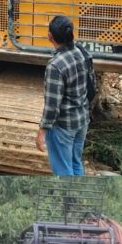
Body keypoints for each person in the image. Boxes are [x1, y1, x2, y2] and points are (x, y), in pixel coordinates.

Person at [36, 15, 93, 176]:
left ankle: (68, 201)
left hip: (64, 126)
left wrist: (42, 130)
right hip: (81, 120)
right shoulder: (81, 52)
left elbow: (52, 106)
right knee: (75, 163)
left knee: (63, 171)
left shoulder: (56, 66)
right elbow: (90, 84)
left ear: (50, 36)